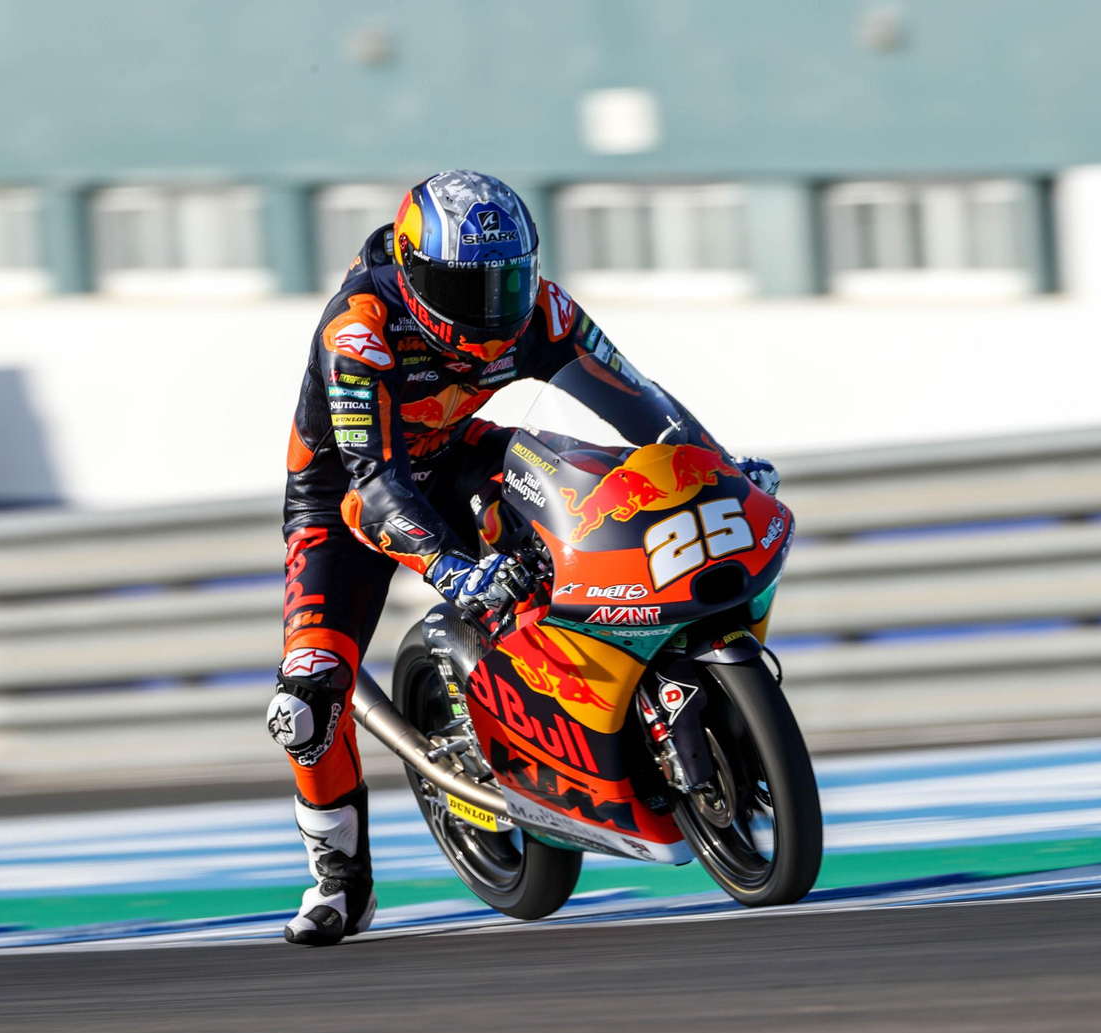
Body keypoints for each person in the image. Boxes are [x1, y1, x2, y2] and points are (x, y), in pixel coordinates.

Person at [269, 170, 778, 946]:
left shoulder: (543, 310)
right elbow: (373, 488)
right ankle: (338, 880)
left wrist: (722, 471)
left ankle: (581, 703)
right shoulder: (359, 332)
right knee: (305, 702)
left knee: (601, 488)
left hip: (460, 454)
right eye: (464, 288)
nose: (491, 309)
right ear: (410, 271)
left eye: (506, 283)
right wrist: (451, 570)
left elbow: (642, 404)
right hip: (348, 500)